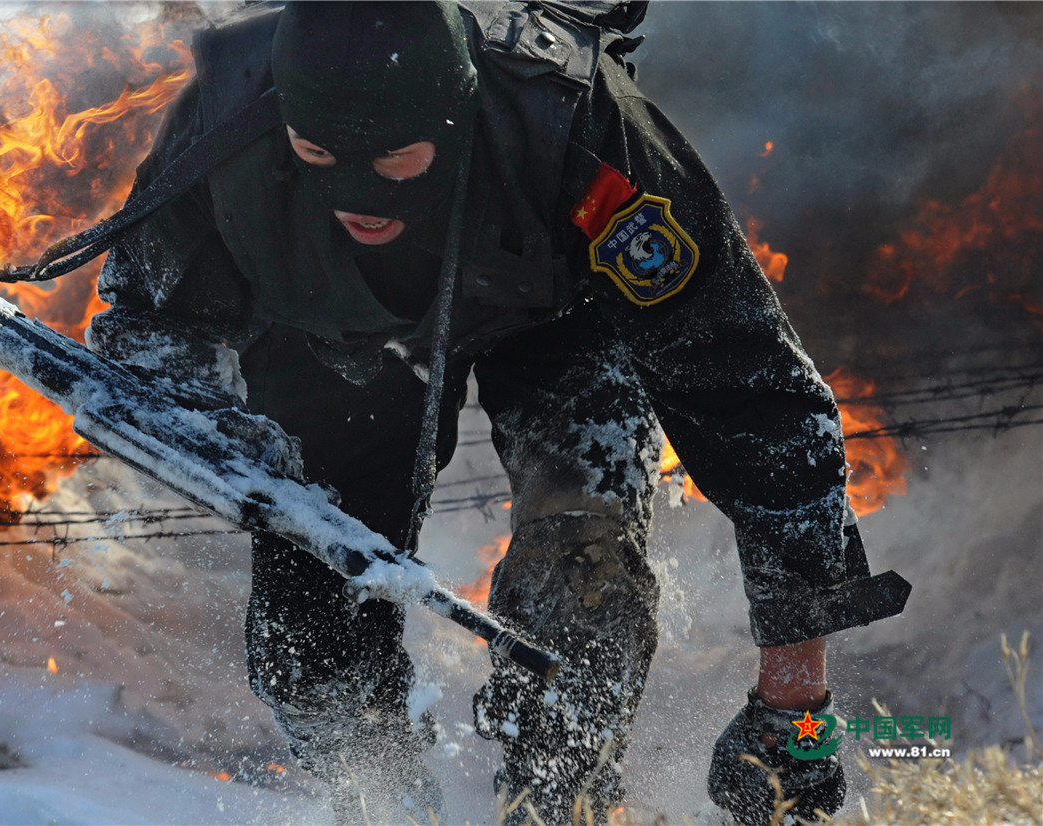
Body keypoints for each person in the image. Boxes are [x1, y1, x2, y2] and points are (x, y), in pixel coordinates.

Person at [88, 2, 910, 823]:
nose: (355, 189)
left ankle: (560, 804)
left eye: (391, 157)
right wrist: (203, 421)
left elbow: (755, 397)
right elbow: (148, 311)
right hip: (340, 337)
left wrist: (792, 706)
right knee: (310, 633)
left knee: (587, 577)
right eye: (319, 152)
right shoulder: (226, 109)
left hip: (563, 310)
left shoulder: (582, 131)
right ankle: (378, 803)